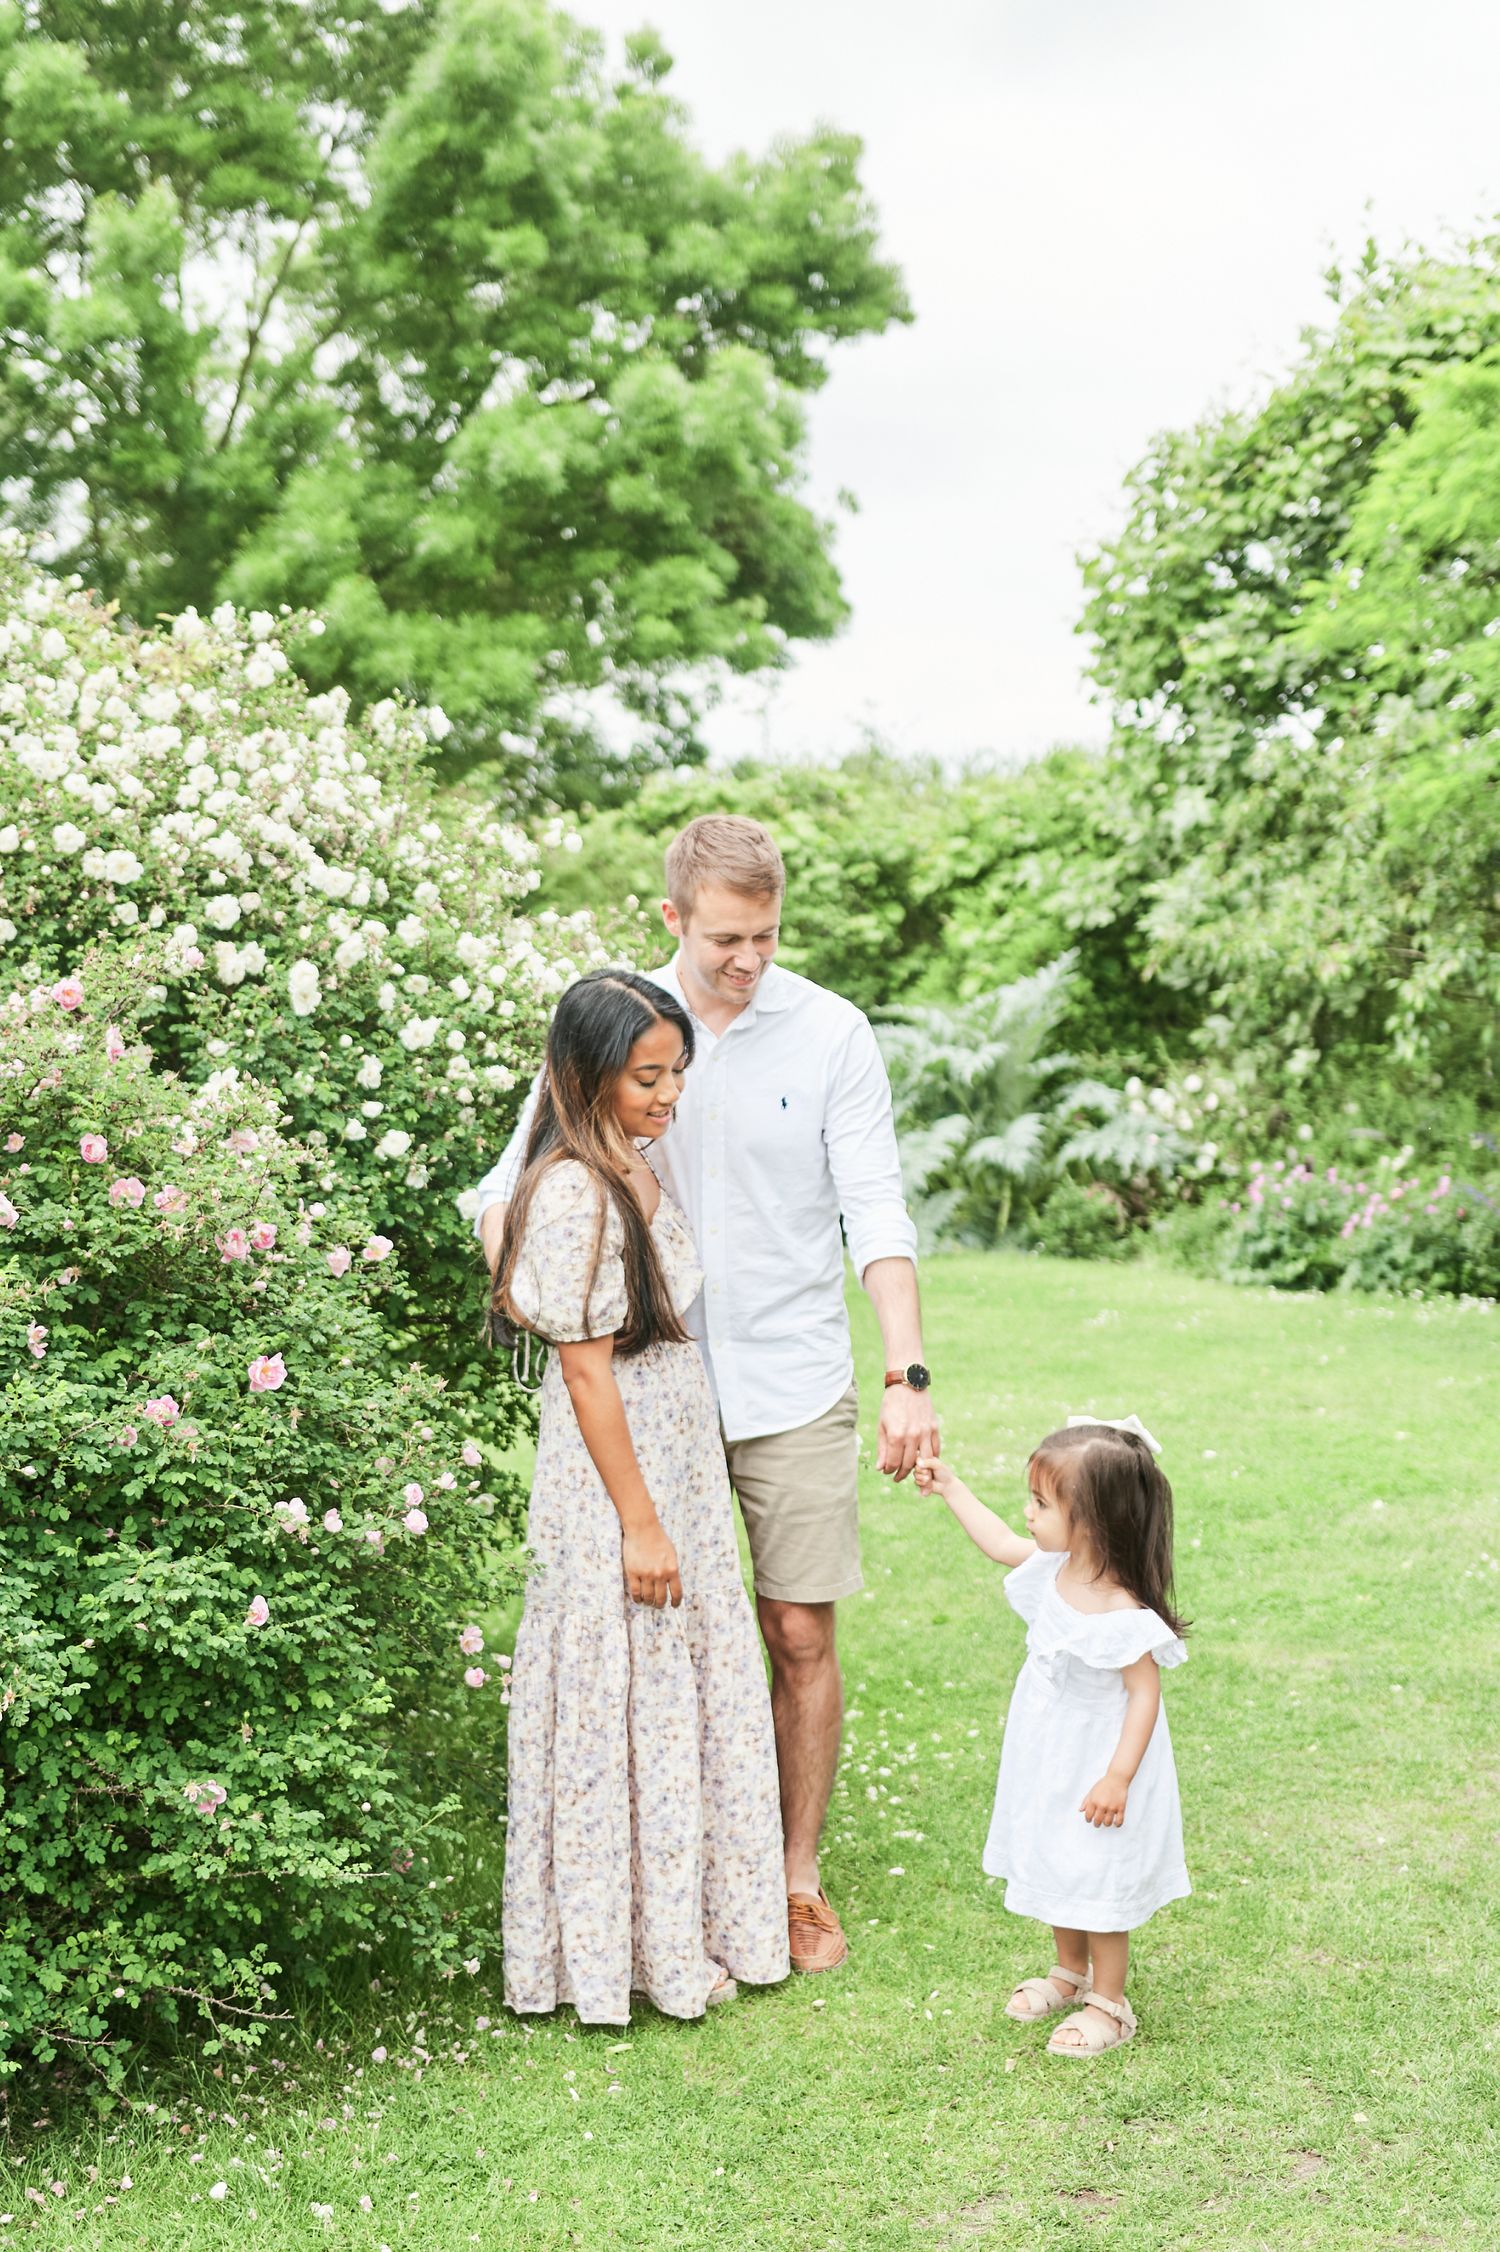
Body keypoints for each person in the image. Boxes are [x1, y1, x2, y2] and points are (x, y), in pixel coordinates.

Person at [475, 814, 939, 1974]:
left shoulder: (831, 1032)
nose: (749, 958)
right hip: (641, 1398)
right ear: (675, 916)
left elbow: (875, 1209)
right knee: (648, 1648)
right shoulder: (618, 1031)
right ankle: (665, 1890)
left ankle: (788, 1879)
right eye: (727, 936)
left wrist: (907, 1372)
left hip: (788, 1372)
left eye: (767, 935)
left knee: (792, 1629)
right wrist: (536, 1289)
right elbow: (505, 1190)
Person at [491, 968, 789, 2025]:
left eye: (674, 1074)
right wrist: (641, 1521)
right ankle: (625, 1952)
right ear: (586, 1074)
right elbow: (584, 1368)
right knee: (626, 1682)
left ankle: (684, 1927)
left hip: (672, 1450)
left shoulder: (633, 1163)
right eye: (645, 1076)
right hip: (619, 1473)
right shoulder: (576, 1188)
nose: (666, 1094)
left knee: (677, 1685)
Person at [915, 1416, 1189, 2057]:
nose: (1029, 1514)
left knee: (1098, 1876)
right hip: (1050, 1752)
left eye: (1042, 1503)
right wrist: (952, 1487)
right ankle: (1069, 1971)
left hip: (1100, 1762)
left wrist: (1118, 1776)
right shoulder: (1052, 1567)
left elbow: (1143, 1695)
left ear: (1092, 1521)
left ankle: (1110, 2002)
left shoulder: (1123, 1612)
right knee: (1056, 1856)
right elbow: (1000, 1542)